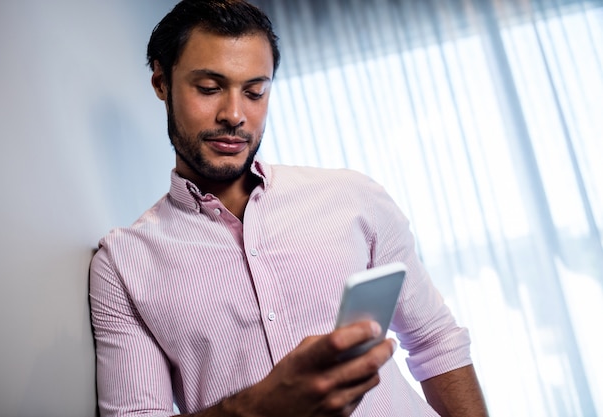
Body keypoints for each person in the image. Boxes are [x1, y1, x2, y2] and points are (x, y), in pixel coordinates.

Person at [89, 1, 489, 416]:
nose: (235, 115)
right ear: (161, 81)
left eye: (255, 91)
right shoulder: (122, 265)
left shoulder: (353, 197)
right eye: (209, 88)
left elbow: (435, 342)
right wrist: (261, 407)